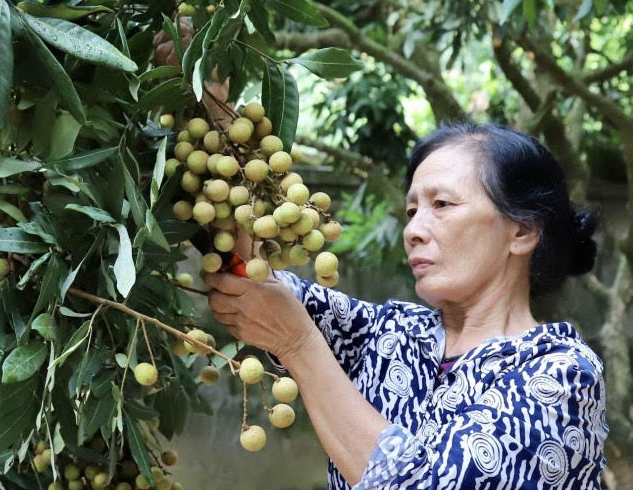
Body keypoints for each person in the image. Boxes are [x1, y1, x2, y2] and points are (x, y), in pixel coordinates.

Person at [202, 123, 608, 489]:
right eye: (412, 211)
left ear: (521, 230)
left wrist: (298, 345)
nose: (412, 230)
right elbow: (246, 277)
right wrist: (207, 101)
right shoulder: (392, 333)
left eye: (442, 205)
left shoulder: (563, 373)